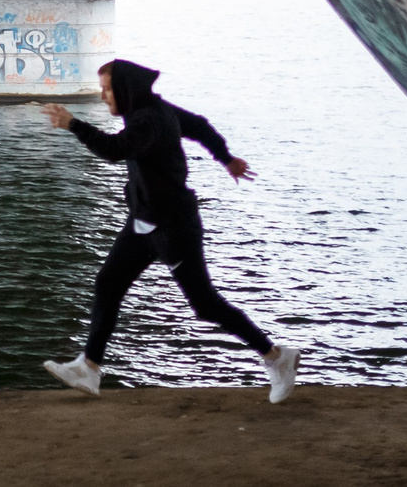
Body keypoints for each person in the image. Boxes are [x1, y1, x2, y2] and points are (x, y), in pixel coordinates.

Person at [38, 58, 300, 402]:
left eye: (107, 89)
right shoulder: (153, 110)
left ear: (126, 90)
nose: (103, 96)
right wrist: (226, 158)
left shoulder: (149, 120)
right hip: (143, 223)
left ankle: (277, 357)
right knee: (109, 283)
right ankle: (89, 368)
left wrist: (74, 124)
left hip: (173, 226)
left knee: (205, 304)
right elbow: (200, 126)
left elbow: (116, 150)